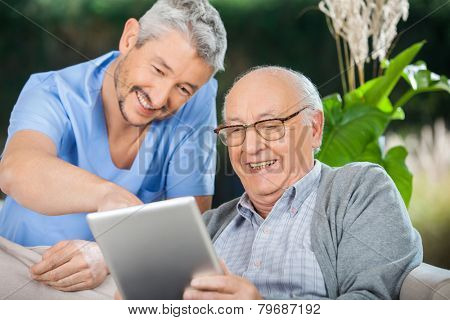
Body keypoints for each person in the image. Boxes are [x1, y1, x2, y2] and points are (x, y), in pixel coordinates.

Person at [0, 0, 227, 292]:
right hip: (28, 265)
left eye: (183, 88)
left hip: (126, 268)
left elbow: (190, 218)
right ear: (130, 38)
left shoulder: (197, 96)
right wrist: (113, 200)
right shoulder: (53, 93)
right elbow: (16, 171)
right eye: (158, 70)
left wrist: (110, 252)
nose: (159, 99)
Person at [183, 66, 422, 300]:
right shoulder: (210, 226)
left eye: (270, 127)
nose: (250, 148)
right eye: (236, 130)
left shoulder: (358, 192)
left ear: (315, 129)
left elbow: (372, 304)